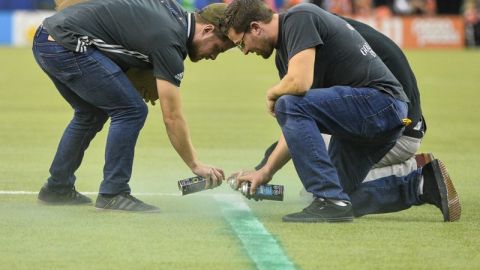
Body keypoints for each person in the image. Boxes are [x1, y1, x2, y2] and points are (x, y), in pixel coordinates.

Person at [222, 0, 460, 222]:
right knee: (338, 195)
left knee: (288, 104)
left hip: (381, 106)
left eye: (241, 43)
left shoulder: (298, 18)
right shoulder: (286, 55)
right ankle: (420, 184)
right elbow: (295, 126)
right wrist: (264, 172)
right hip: (366, 119)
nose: (244, 51)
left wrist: (272, 94)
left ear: (255, 27)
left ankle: (331, 198)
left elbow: (299, 86)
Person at [33, 0, 233, 212]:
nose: (213, 56)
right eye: (218, 48)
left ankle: (57, 188)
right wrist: (195, 164)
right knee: (131, 110)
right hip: (66, 43)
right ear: (207, 29)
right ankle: (114, 193)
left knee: (90, 113)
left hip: (48, 38)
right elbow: (172, 116)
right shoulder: (170, 41)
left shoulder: (174, 12)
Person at [251, 15, 429, 194]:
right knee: (318, 169)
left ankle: (415, 175)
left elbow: (299, 123)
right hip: (395, 122)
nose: (245, 51)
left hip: (398, 132)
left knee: (321, 190)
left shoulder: (318, 44)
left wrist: (265, 170)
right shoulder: (329, 30)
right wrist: (264, 167)